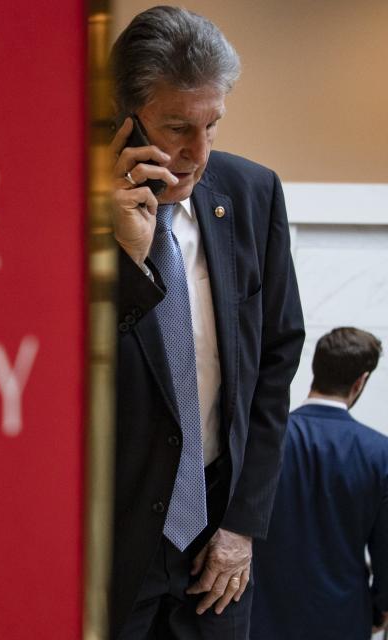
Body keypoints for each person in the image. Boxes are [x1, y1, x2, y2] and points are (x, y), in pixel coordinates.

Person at [107, 6, 305, 639]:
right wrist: (124, 260)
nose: (198, 153)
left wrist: (243, 524)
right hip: (112, 549)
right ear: (127, 118)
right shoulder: (60, 207)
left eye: (212, 125)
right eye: (176, 128)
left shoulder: (251, 193)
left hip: (216, 547)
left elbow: (276, 361)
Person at [251, 328, 388, 639]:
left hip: (261, 617)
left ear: (315, 368)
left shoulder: (263, 441)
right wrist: (380, 606)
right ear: (360, 381)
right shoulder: (381, 454)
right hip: (343, 620)